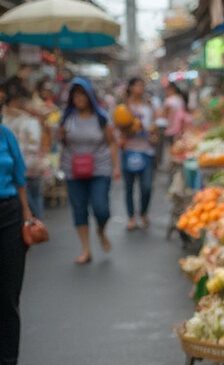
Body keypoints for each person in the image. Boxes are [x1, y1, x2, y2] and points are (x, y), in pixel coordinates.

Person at [0, 90, 39, 365]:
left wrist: (27, 215)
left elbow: (20, 178)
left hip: (10, 216)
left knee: (9, 295)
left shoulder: (6, 136)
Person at [59, 77, 120, 264]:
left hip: (100, 168)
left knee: (101, 208)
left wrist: (116, 167)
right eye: (75, 95)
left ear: (89, 96)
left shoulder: (102, 117)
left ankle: (101, 230)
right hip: (73, 170)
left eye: (82, 95)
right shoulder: (67, 119)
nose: (79, 99)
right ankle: (86, 249)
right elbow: (62, 142)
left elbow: (112, 143)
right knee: (79, 209)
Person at [3, 79, 48, 218]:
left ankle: (35, 225)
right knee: (32, 200)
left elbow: (35, 143)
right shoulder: (9, 120)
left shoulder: (28, 121)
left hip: (29, 167)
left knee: (32, 200)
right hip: (25, 167)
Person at [120, 77, 157, 230]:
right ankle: (131, 217)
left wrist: (150, 134)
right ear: (130, 88)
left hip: (146, 151)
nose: (140, 88)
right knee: (129, 187)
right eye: (137, 85)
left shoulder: (149, 107)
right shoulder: (123, 108)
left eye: (142, 85)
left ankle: (143, 212)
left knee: (146, 186)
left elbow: (154, 130)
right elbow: (118, 129)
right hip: (129, 151)